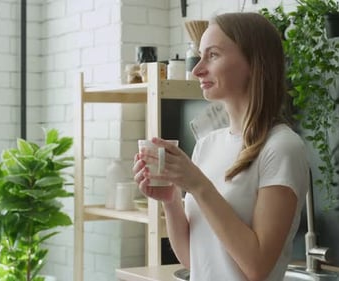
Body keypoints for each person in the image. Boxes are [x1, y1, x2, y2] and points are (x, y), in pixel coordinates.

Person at [132, 12, 309, 281]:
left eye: (212, 55)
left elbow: (257, 266)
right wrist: (171, 201)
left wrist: (199, 186)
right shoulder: (206, 145)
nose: (197, 69)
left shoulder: (281, 147)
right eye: (200, 55)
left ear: (253, 62)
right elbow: (195, 259)